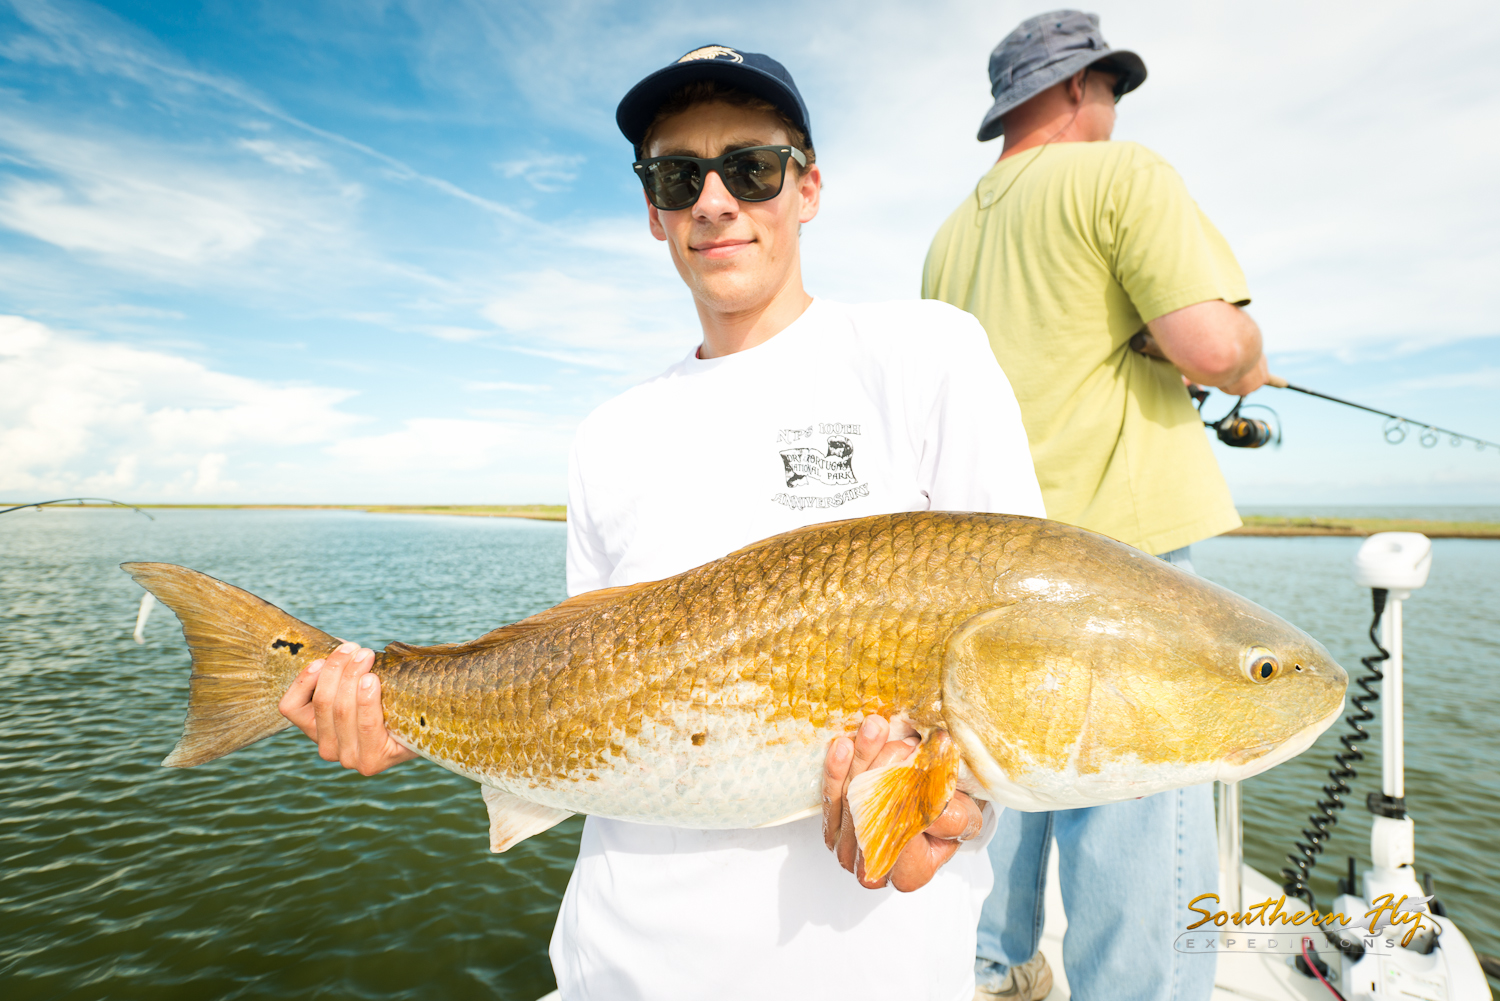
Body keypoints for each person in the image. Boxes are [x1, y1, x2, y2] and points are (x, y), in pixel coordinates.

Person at [277, 45, 1047, 1000]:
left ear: (808, 188)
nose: (715, 200)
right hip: (616, 968)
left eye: (752, 169)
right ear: (654, 212)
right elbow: (571, 693)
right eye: (680, 175)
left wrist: (953, 807)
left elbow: (1021, 661)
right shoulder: (609, 434)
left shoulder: (928, 356)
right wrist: (395, 718)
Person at [922, 10, 1269, 1001]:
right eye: (1110, 88)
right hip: (1124, 565)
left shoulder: (951, 235)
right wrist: (1252, 360)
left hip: (984, 574)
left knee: (1005, 783)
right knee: (1140, 828)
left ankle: (990, 970)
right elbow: (1210, 346)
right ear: (1079, 88)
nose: (1114, 109)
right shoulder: (1123, 176)